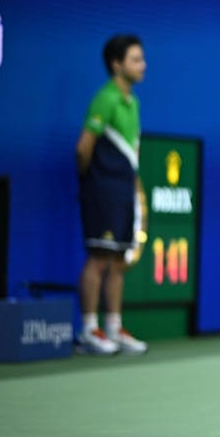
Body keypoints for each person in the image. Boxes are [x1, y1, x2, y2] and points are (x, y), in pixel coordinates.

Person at [74, 34, 149, 356]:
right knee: (99, 259)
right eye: (135, 59)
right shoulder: (105, 99)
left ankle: (114, 329)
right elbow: (83, 148)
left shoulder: (133, 103)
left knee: (117, 261)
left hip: (123, 192)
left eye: (142, 59)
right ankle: (89, 330)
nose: (142, 65)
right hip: (102, 191)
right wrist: (92, 183)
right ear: (116, 65)